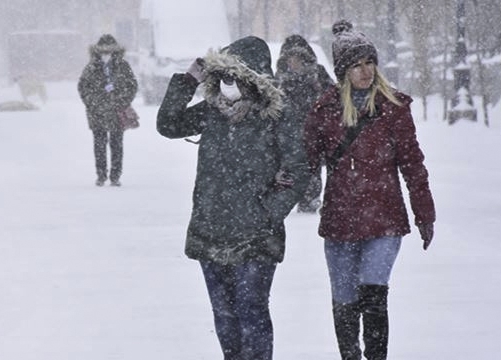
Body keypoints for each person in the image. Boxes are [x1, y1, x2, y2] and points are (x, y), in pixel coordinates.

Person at [157, 36, 310, 359]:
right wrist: (188, 80)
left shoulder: (276, 116)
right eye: (223, 76)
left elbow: (297, 170)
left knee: (251, 311)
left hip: (255, 237)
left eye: (235, 75)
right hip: (210, 231)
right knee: (225, 318)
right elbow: (168, 124)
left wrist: (266, 212)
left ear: (253, 78)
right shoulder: (212, 112)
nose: (228, 83)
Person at [303, 20, 436, 360]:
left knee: (374, 294)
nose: (365, 71)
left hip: (384, 217)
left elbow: (412, 164)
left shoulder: (394, 108)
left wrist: (425, 213)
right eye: (356, 65)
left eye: (369, 63)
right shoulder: (325, 111)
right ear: (343, 71)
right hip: (340, 219)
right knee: (345, 300)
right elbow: (304, 161)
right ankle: (350, 355)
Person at [275, 34, 334, 213]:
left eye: (296, 58)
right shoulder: (280, 78)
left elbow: (333, 97)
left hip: (312, 134)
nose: (292, 62)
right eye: (289, 58)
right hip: (288, 135)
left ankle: (309, 203)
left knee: (311, 171)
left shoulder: (317, 74)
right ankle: (287, 203)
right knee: (288, 171)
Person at [78, 34, 137, 187]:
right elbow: (83, 88)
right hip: (96, 113)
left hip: (117, 112)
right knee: (99, 144)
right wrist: (94, 104)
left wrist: (122, 101)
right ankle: (101, 175)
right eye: (103, 52)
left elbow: (132, 86)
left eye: (109, 52)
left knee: (117, 144)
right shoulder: (91, 67)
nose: (106, 55)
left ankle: (115, 176)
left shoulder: (123, 66)